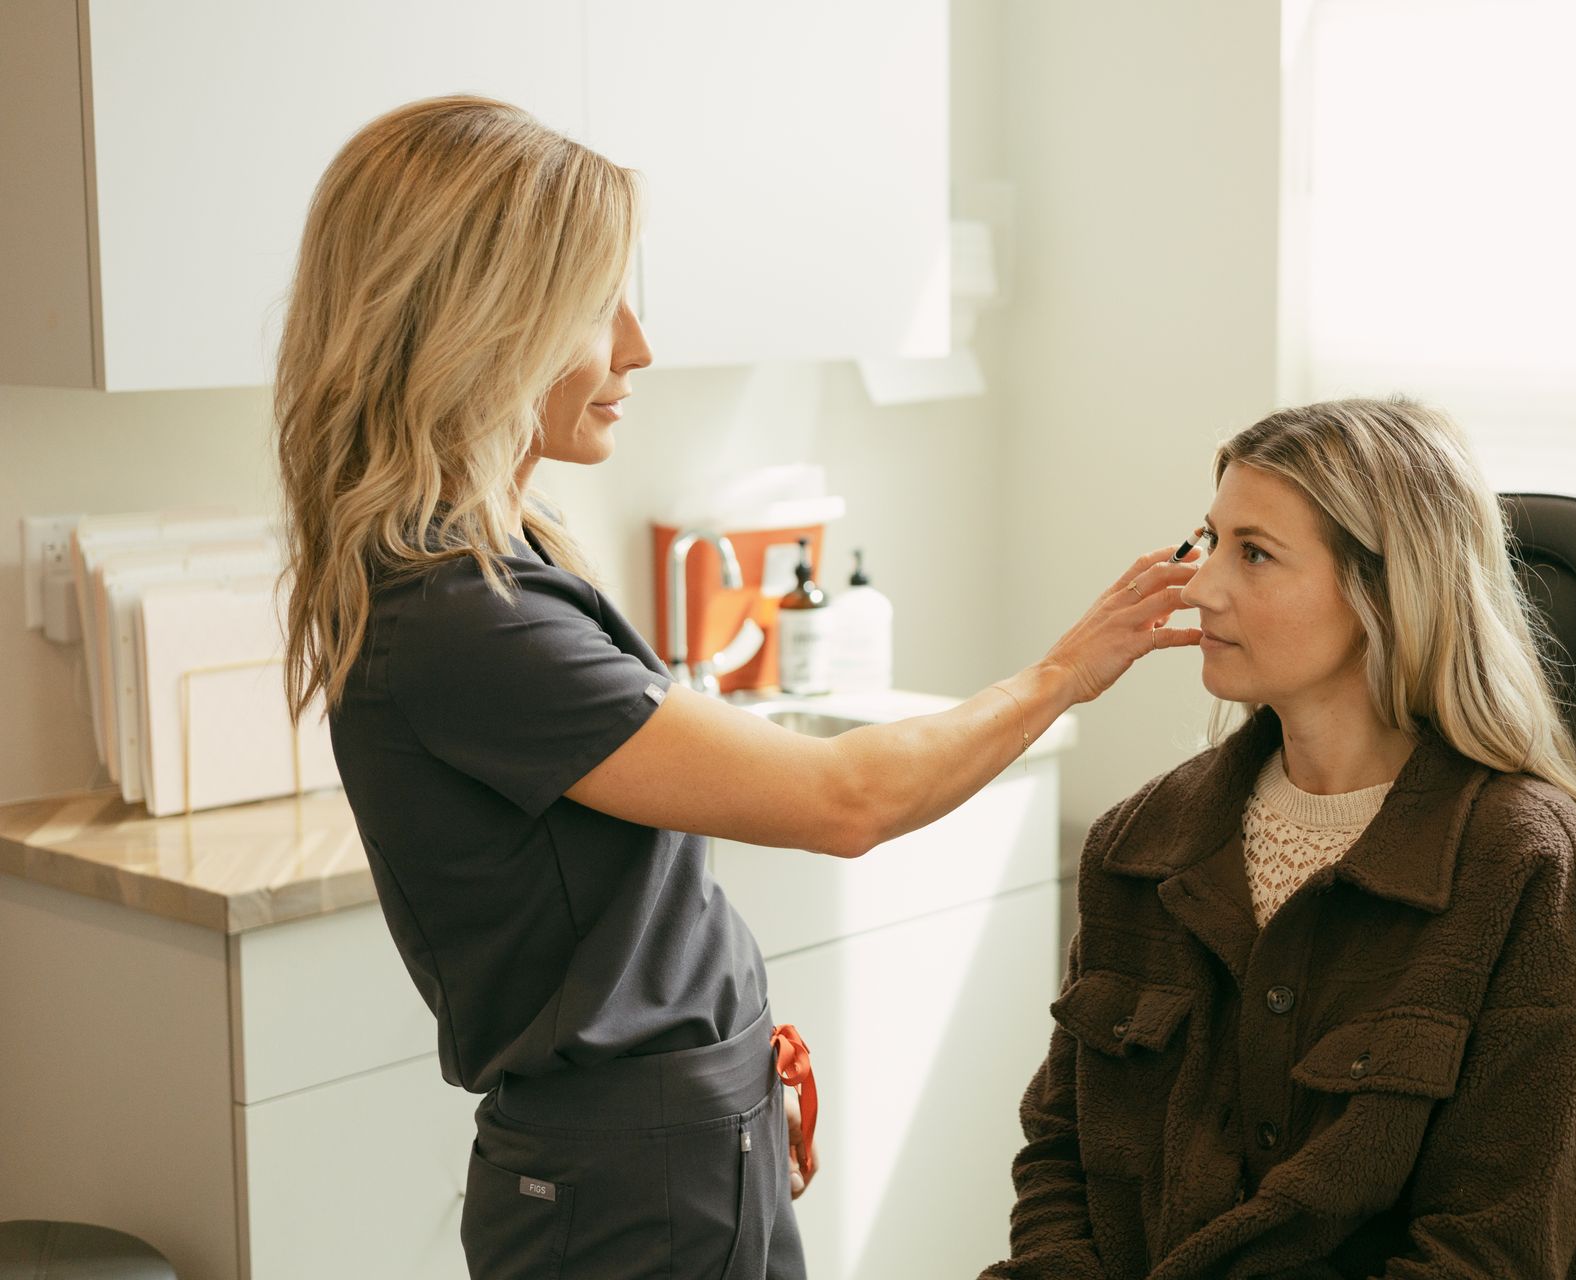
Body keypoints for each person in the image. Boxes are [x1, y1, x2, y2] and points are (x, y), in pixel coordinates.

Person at [274, 95, 1200, 1280]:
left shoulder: (504, 557)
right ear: (485, 324)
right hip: (627, 1174)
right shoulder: (461, 618)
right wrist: (1068, 670)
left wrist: (730, 1045)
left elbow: (614, 906)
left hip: (673, 1133)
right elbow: (845, 797)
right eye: (594, 307)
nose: (636, 347)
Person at [984, 398, 1576, 1280]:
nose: (1201, 585)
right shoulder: (1139, 843)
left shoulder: (1529, 868)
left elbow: (1493, 1252)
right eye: (1210, 541)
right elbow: (1060, 1156)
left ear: (1386, 588)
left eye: (1254, 554)